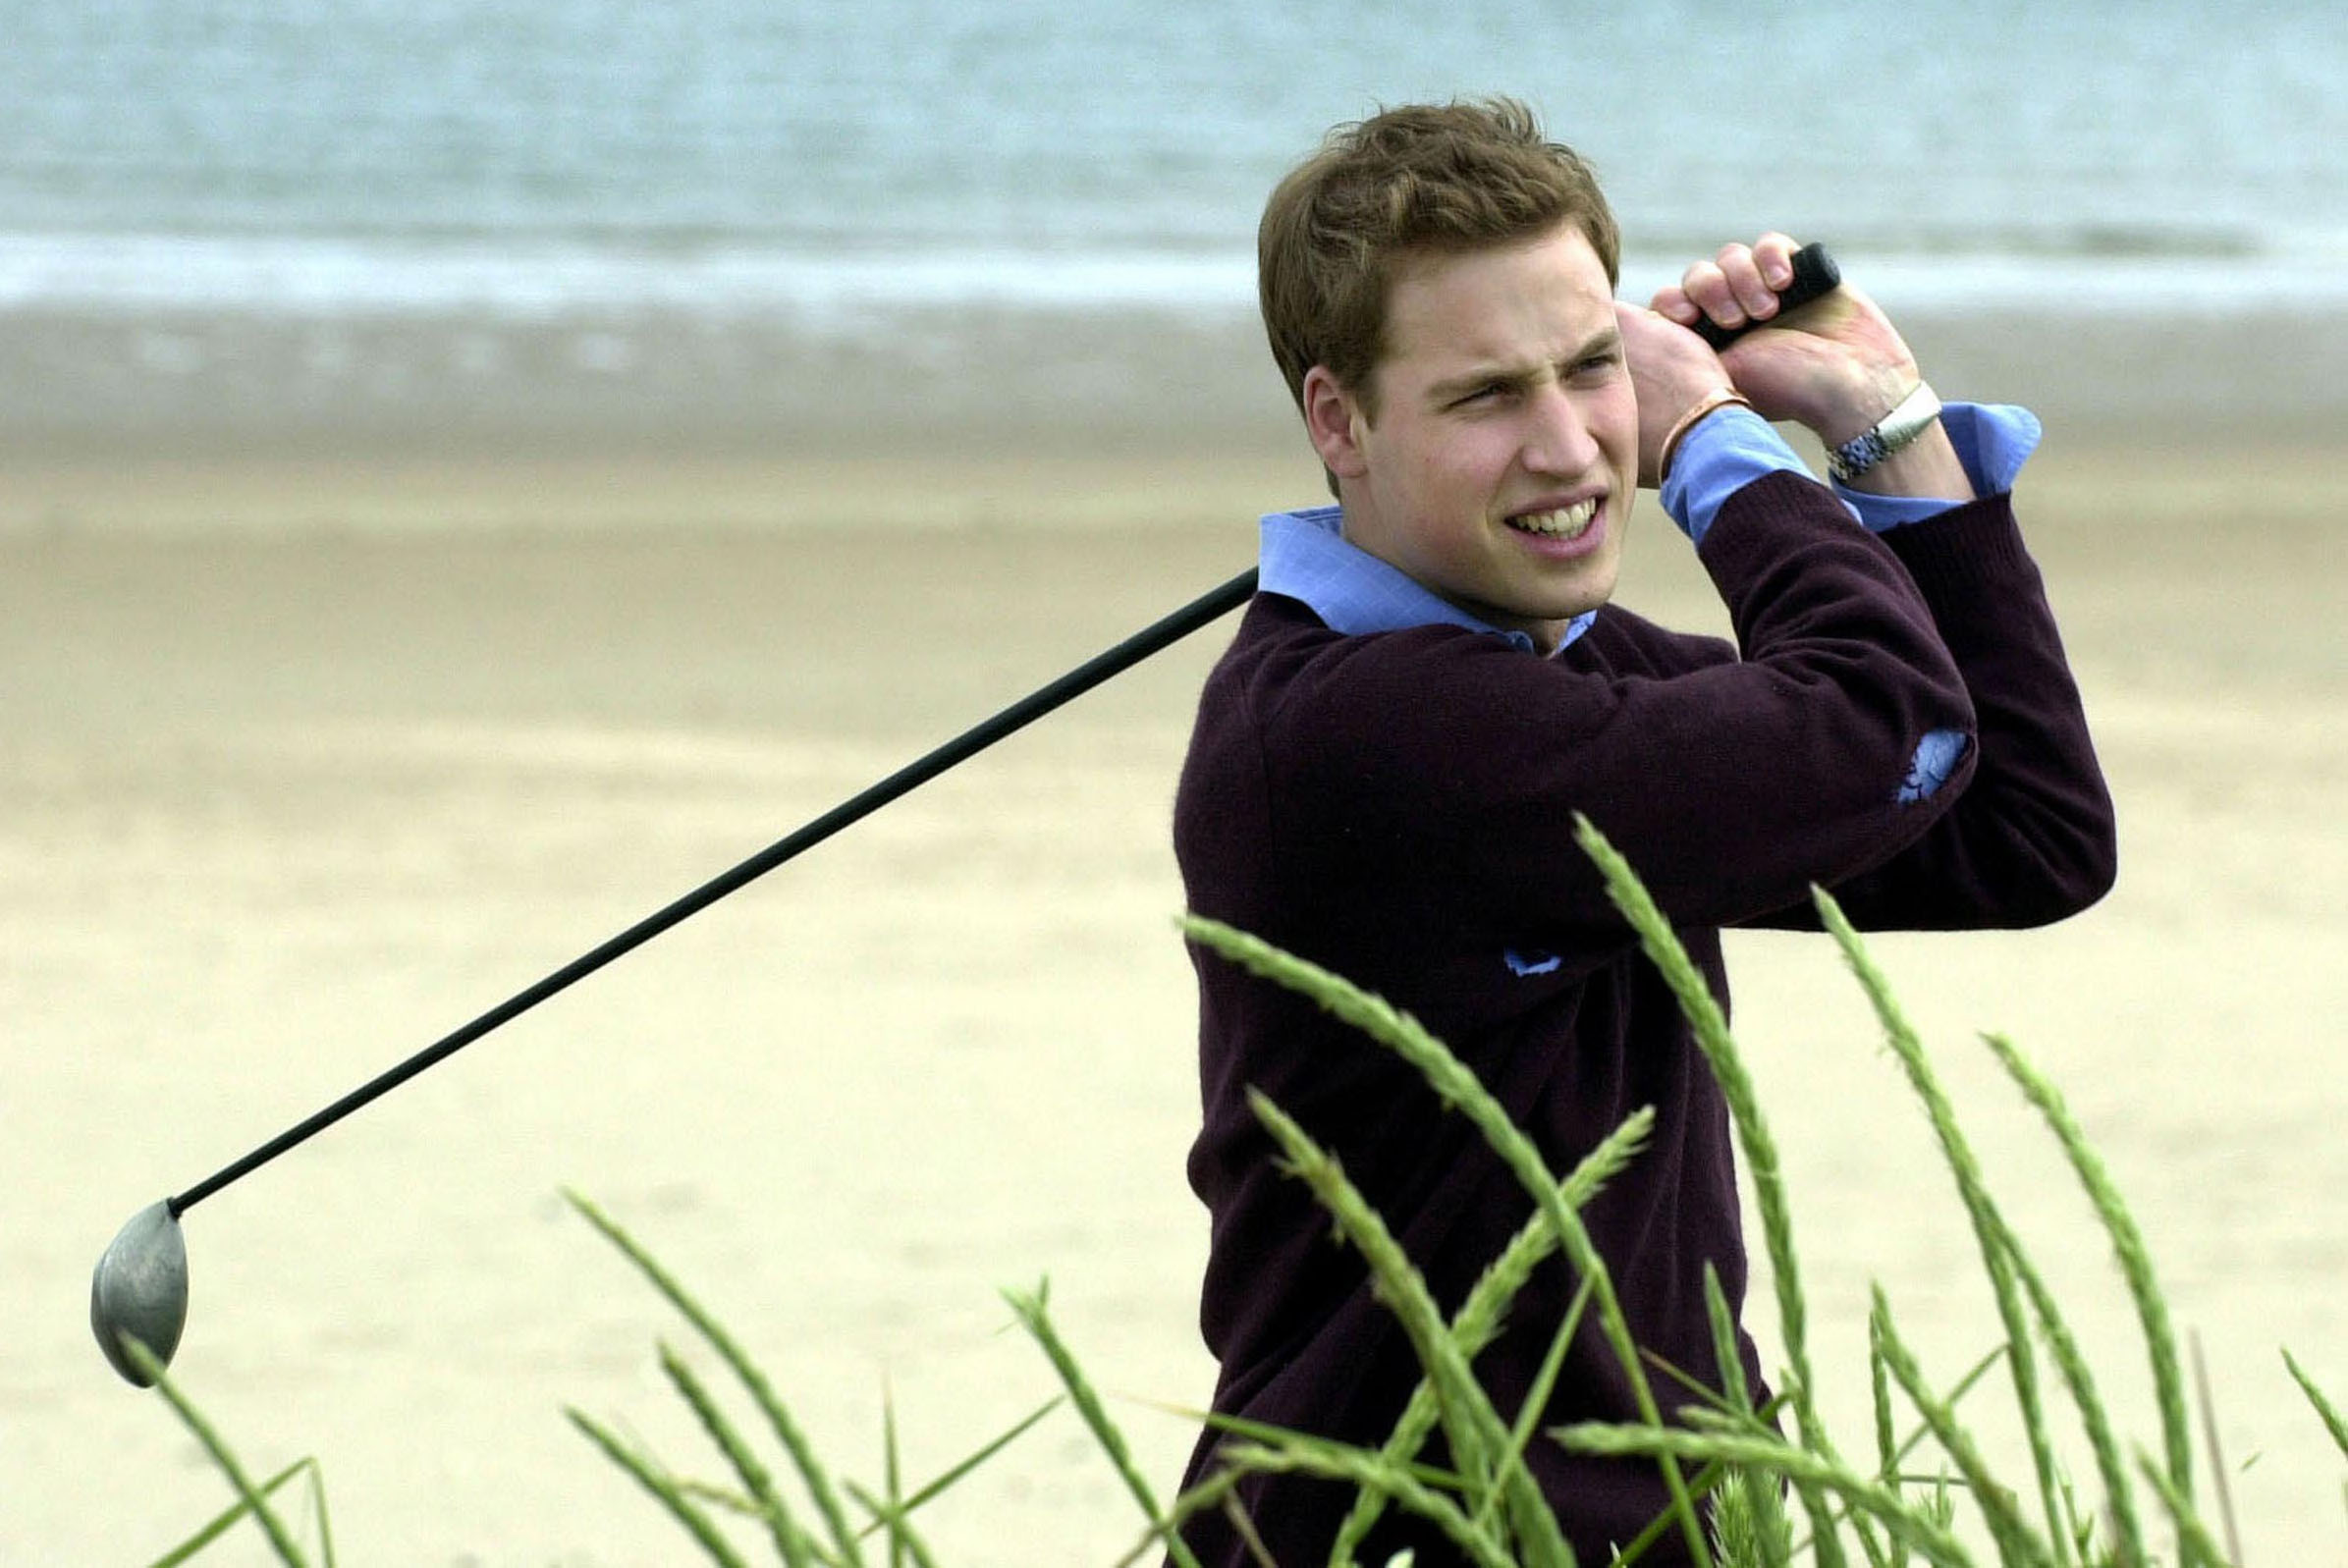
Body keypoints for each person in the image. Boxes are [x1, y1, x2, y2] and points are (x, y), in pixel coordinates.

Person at [1170, 97, 2116, 1566]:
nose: (1568, 448)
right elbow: (1886, 727)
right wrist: (1709, 439)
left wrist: (1881, 419)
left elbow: (2015, 827)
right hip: (1411, 1532)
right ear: (1336, 420)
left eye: (1592, 369)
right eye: (1488, 396)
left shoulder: (1556, 674)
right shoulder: (1367, 733)